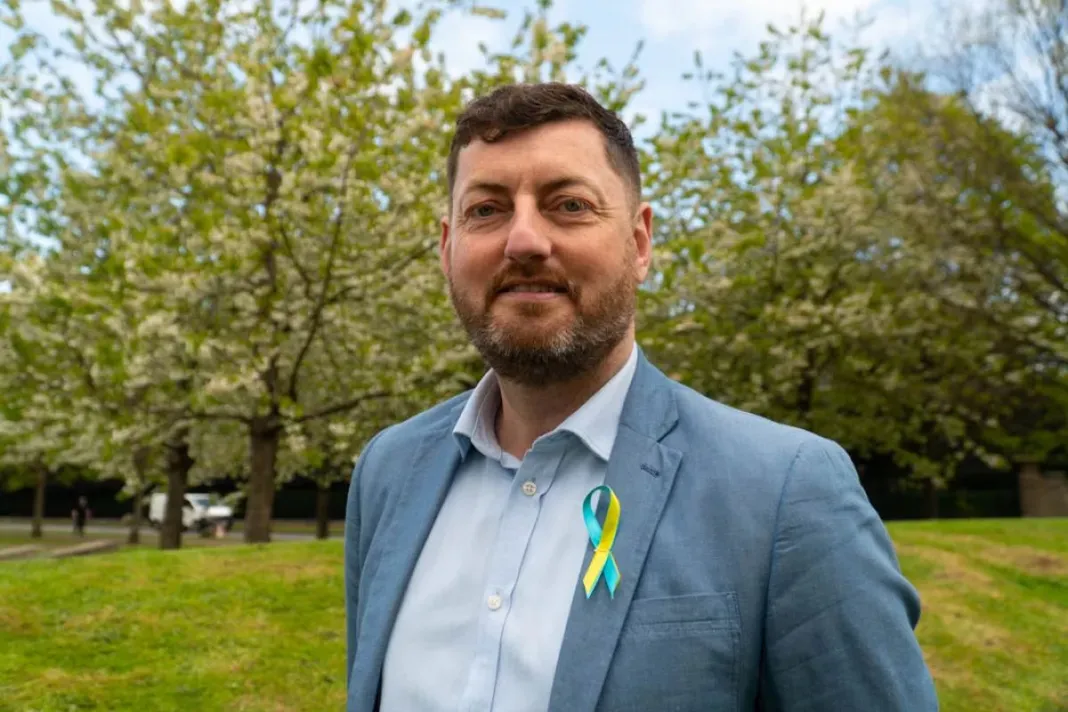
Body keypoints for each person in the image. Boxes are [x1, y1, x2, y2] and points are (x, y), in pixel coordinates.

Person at [344, 82, 939, 712]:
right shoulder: (388, 472)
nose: (523, 240)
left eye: (569, 205)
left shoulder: (787, 492)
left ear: (640, 243)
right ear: (447, 247)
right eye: (486, 210)